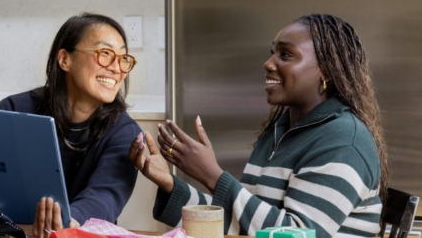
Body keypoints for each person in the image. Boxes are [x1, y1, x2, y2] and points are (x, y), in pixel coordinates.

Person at [130, 14, 389, 238]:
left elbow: (296, 233)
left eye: (286, 54)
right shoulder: (281, 130)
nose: (268, 63)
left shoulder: (343, 140)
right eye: (273, 53)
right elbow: (248, 221)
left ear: (327, 72)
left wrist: (212, 175)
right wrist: (170, 184)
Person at [0, 13, 141, 238]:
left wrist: (67, 224)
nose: (117, 68)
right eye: (105, 54)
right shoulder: (12, 109)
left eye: (122, 58)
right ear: (64, 59)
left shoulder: (124, 132)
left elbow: (105, 197)